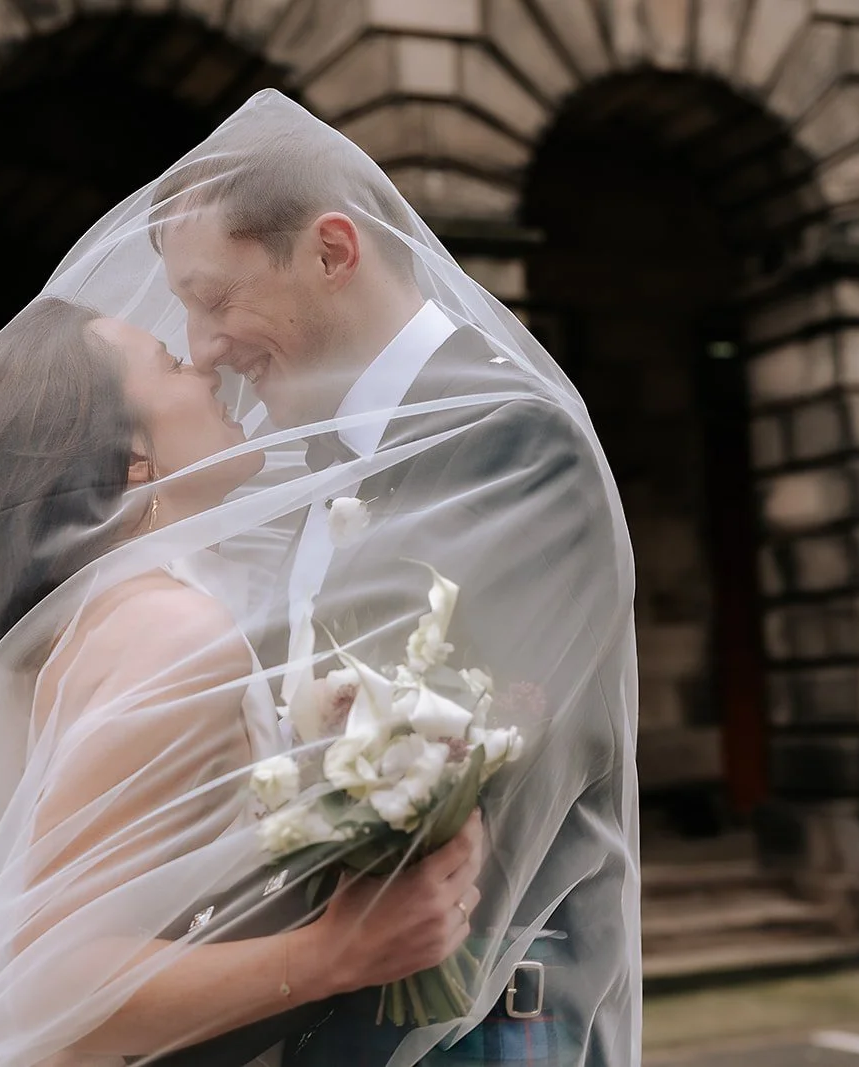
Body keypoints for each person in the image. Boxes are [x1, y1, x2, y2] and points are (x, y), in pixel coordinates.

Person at [149, 94, 642, 1065]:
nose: (204, 349)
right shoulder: (319, 461)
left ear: (333, 251)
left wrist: (157, 1007)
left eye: (214, 299)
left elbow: (458, 812)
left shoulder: (512, 440)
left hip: (479, 1027)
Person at [0, 296, 485, 1066]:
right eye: (170, 364)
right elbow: (47, 984)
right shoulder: (172, 635)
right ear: (135, 457)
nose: (204, 366)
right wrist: (337, 953)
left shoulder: (116, 619)